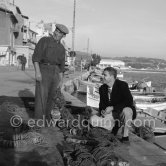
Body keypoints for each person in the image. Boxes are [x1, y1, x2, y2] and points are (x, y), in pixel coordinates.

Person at [32, 23, 69, 122]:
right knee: (41, 97)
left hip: (56, 72)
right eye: (56, 31)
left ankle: (47, 120)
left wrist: (61, 80)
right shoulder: (44, 40)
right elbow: (36, 58)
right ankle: (39, 122)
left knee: (52, 98)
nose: (57, 33)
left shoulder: (62, 48)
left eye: (60, 33)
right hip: (44, 69)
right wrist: (38, 73)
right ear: (54, 31)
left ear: (63, 36)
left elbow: (61, 66)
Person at [99, 67, 136, 142]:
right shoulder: (102, 88)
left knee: (127, 111)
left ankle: (125, 136)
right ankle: (115, 126)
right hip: (112, 114)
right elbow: (101, 104)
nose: (102, 77)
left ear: (112, 77)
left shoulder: (122, 85)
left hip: (123, 112)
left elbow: (129, 101)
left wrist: (113, 108)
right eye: (103, 75)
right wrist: (102, 111)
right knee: (93, 120)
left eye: (105, 75)